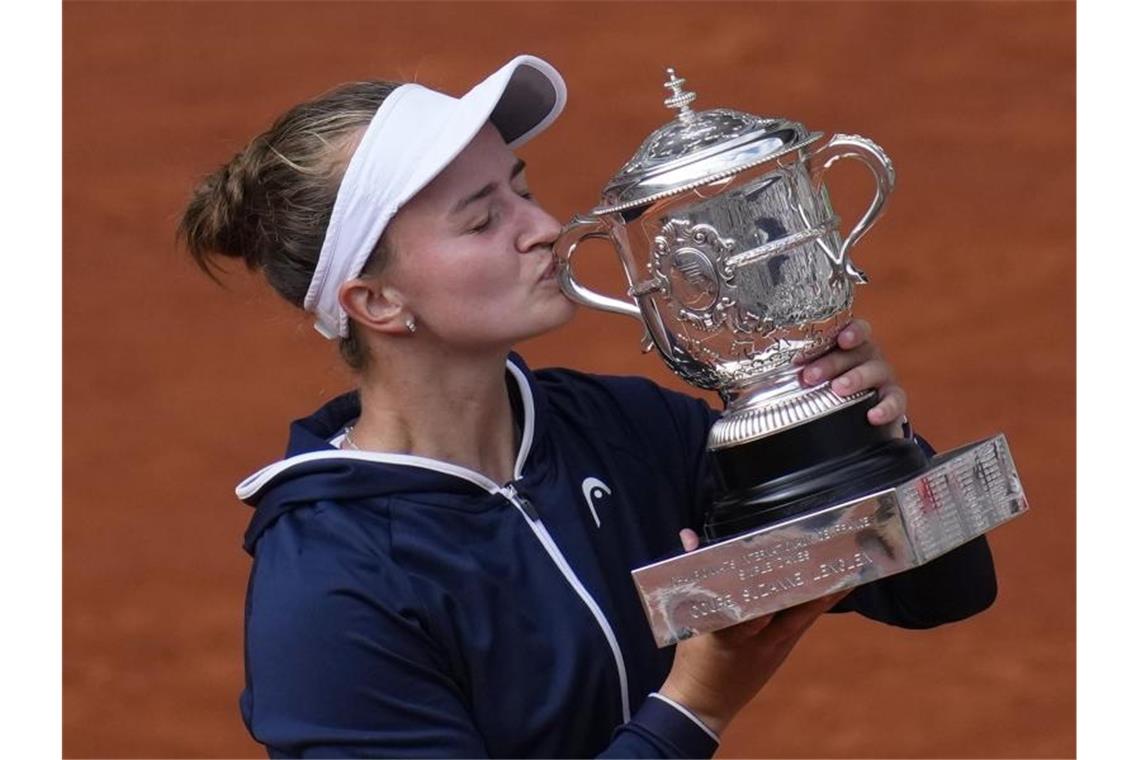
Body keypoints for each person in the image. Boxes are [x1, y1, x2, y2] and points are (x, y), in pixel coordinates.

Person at [180, 55, 997, 758]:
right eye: (483, 219)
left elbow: (936, 594)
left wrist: (864, 437)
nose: (543, 228)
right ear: (379, 302)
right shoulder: (331, 589)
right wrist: (693, 708)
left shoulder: (625, 430)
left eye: (523, 189)